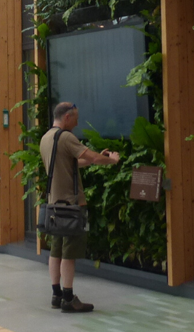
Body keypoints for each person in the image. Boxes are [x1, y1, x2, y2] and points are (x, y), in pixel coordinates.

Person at [39, 102, 121, 313]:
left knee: (55, 250)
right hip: (72, 206)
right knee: (69, 252)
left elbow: (72, 163)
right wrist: (110, 160)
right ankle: (69, 297)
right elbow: (91, 156)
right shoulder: (66, 137)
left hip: (54, 205)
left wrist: (96, 159)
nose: (77, 122)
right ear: (67, 117)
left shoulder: (47, 138)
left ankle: (56, 294)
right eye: (75, 117)